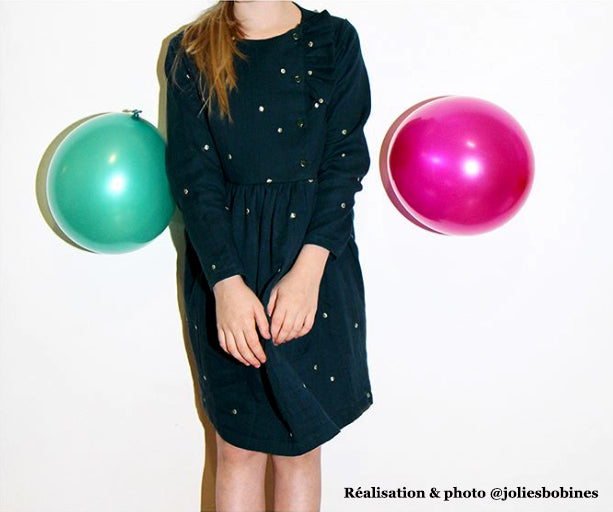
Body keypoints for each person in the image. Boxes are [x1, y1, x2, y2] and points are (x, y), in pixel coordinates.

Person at [164, 1, 373, 510]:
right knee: (236, 450)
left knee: (300, 449)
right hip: (225, 266)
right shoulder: (190, 49)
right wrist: (226, 286)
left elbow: (344, 164)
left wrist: (308, 272)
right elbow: (194, 179)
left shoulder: (335, 40)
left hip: (314, 265)